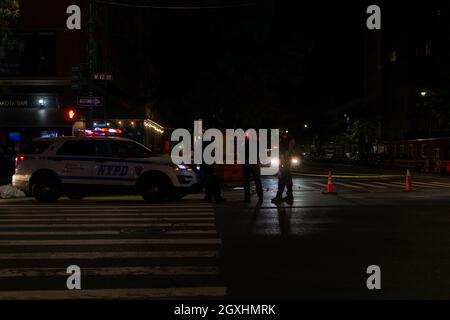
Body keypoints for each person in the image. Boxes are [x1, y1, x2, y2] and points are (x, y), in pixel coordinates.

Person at [272, 131, 295, 203]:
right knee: (287, 178)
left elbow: (290, 146)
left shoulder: (287, 138)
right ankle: (289, 196)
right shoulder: (283, 137)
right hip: (284, 160)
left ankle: (280, 196)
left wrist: (285, 156)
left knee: (283, 178)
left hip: (285, 160)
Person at [243, 133, 263, 203]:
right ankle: (260, 197)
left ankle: (247, 198)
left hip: (248, 164)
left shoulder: (246, 143)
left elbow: (243, 153)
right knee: (257, 180)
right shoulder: (257, 143)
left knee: (246, 181)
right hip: (255, 163)